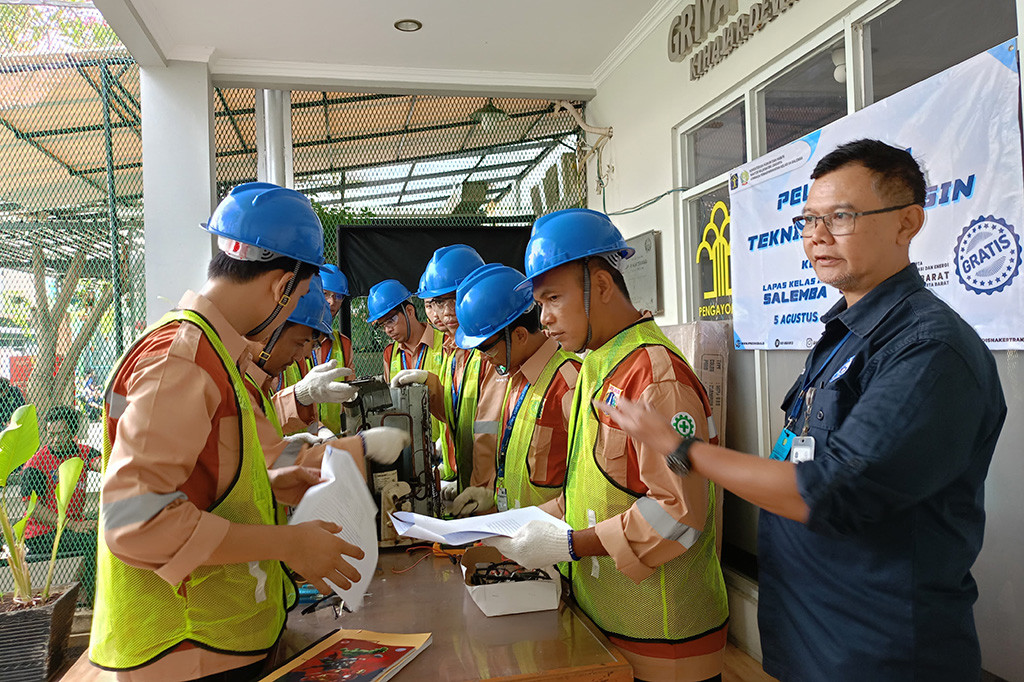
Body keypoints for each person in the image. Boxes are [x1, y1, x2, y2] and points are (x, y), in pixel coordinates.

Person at [598, 140, 1007, 682]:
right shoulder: (843, 335)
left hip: (879, 649)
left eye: (841, 217)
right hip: (811, 631)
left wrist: (682, 450)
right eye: (809, 219)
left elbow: (832, 491)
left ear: (907, 222)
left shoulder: (928, 349)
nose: (817, 236)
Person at [90, 182, 365, 681]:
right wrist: (288, 544)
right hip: (183, 650)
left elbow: (204, 483)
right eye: (299, 298)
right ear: (283, 287)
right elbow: (135, 523)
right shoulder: (181, 363)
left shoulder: (214, 356)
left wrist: (274, 482)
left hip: (217, 641)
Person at [486, 209, 728, 682]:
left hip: (665, 635)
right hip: (610, 621)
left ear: (600, 285)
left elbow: (679, 513)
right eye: (539, 303)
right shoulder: (599, 366)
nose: (544, 319)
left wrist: (571, 544)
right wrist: (523, 524)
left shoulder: (654, 376)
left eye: (553, 298)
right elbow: (592, 487)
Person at [243, 274, 408, 473]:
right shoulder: (234, 380)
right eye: (300, 343)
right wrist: (359, 447)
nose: (302, 356)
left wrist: (298, 399)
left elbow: (266, 453)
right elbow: (270, 464)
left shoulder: (250, 377)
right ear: (271, 330)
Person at [452, 263, 579, 514]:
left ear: (519, 335)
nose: (483, 358)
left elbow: (584, 487)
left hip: (554, 535)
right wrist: (492, 497)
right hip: (516, 528)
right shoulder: (516, 379)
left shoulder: (569, 383)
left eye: (486, 348)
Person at [391, 245, 506, 517]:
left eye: (452, 299)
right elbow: (457, 413)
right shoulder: (453, 351)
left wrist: (482, 488)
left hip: (493, 494)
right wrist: (431, 386)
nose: (444, 312)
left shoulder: (490, 350)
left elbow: (490, 429)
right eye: (435, 303)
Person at [20, 405, 101, 603]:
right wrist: (72, 525)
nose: (55, 440)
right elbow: (33, 509)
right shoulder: (36, 464)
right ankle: (85, 600)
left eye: (61, 434)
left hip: (73, 525)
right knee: (91, 541)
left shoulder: (83, 452)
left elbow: (100, 463)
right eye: (51, 434)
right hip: (42, 533)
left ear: (72, 433)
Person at [366, 279, 444, 384]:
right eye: (383, 325)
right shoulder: (389, 353)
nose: (388, 330)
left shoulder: (446, 343)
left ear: (409, 311)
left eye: (391, 321)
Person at [314, 264, 354, 435]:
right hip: (297, 439)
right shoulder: (292, 338)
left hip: (334, 437)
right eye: (325, 294)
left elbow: (351, 393)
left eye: (338, 296)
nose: (332, 302)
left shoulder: (343, 344)